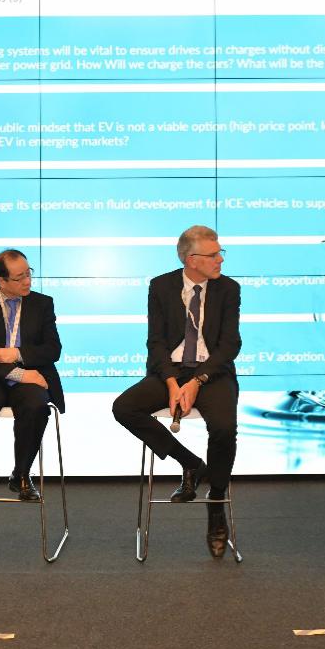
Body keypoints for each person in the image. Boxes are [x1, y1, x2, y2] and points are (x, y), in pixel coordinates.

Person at [113, 225, 241, 558]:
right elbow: (155, 342)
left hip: (212, 372)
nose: (220, 260)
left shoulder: (229, 289)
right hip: (169, 370)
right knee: (124, 407)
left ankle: (216, 501)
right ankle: (190, 464)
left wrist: (197, 382)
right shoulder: (161, 286)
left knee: (224, 427)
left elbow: (230, 344)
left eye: (220, 253)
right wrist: (172, 383)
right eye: (214, 255)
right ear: (191, 259)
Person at [0, 249, 64, 502]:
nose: (27, 281)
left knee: (36, 407)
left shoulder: (42, 304)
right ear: (1, 281)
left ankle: (22, 475)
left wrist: (17, 354)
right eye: (19, 277)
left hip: (32, 374)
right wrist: (18, 374)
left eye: (29, 273)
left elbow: (53, 350)